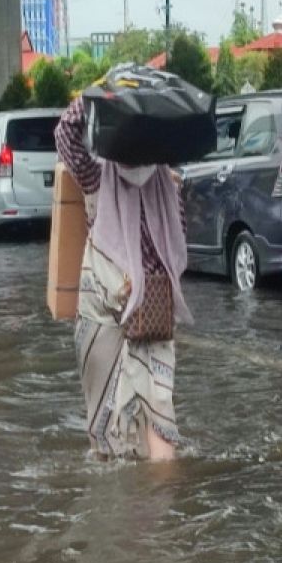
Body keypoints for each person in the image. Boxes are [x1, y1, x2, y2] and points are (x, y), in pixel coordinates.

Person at [54, 97, 192, 462]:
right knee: (158, 413)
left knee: (102, 417)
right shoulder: (169, 184)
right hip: (154, 309)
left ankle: (115, 495)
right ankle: (164, 505)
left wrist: (95, 97)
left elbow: (65, 133)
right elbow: (179, 246)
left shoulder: (97, 175)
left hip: (102, 308)